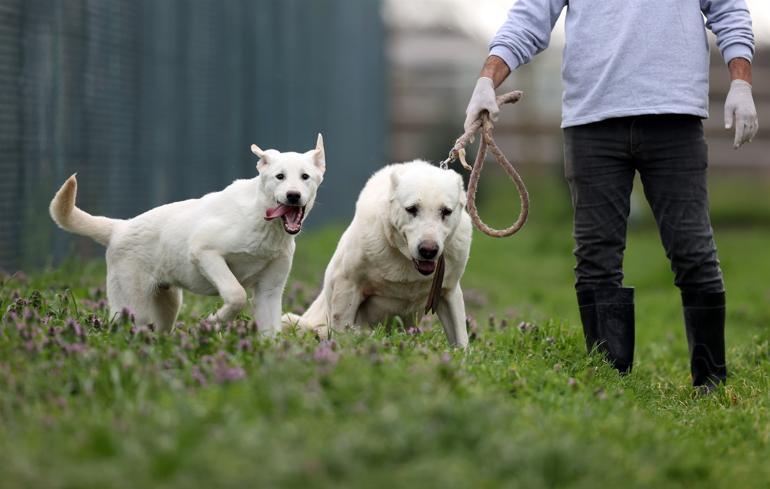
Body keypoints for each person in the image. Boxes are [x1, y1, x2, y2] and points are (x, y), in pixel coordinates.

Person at [465, 0, 758, 390]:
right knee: (596, 258)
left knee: (694, 251)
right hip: (591, 122)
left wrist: (741, 80)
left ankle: (711, 381)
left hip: (674, 118)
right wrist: (487, 79)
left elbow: (729, 10)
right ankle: (611, 383)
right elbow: (530, 18)